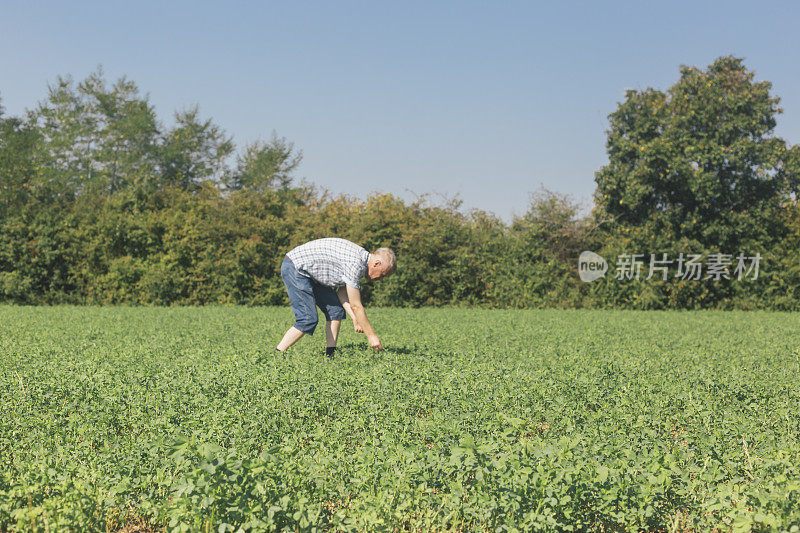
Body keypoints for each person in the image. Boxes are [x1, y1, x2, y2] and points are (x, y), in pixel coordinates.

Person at [276, 237, 396, 356]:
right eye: (383, 275)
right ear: (377, 264)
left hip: (311, 274)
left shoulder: (360, 262)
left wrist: (355, 318)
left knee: (335, 311)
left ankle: (330, 356)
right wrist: (371, 336)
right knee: (307, 319)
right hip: (295, 267)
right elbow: (356, 305)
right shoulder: (355, 264)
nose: (380, 280)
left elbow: (342, 293)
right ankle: (277, 355)